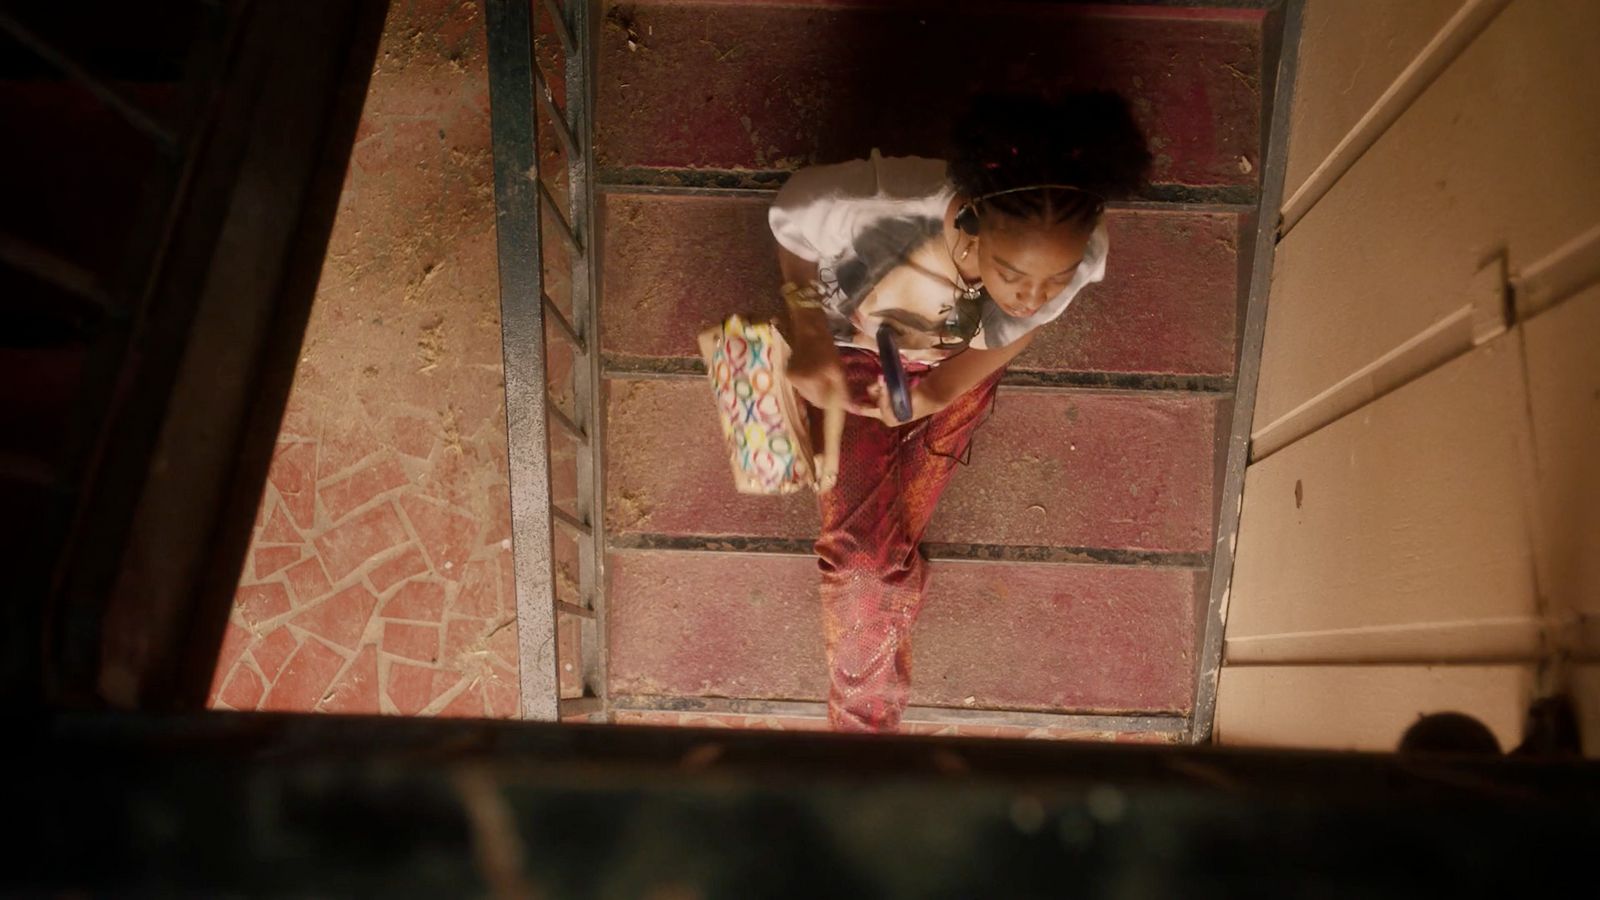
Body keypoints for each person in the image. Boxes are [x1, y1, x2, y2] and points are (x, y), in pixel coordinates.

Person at [767, 92, 1152, 732]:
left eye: (1054, 279)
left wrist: (940, 391)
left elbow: (1021, 329)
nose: (1033, 297)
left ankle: (885, 590)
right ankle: (862, 739)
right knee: (863, 565)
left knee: (875, 560)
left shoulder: (1080, 249)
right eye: (1012, 274)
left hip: (957, 370)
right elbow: (786, 217)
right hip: (856, 355)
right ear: (972, 219)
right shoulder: (878, 205)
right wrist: (806, 329)